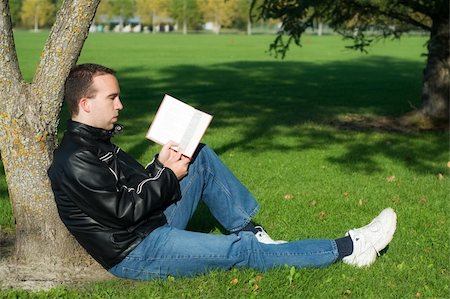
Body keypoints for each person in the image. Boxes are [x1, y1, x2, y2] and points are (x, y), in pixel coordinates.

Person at [47, 63, 397, 280]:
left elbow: (134, 189)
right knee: (237, 253)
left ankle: (254, 232)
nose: (120, 104)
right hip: (137, 251)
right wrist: (169, 175)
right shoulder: (76, 158)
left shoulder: (97, 141)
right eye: (113, 98)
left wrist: (161, 165)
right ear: (85, 103)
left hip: (147, 225)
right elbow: (123, 213)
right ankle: (350, 248)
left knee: (197, 154)